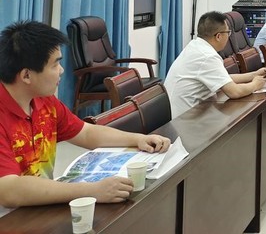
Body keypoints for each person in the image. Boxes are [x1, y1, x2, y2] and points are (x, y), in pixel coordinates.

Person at [0, 21, 171, 214]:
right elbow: (8, 190)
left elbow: (86, 133)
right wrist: (91, 191)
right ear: (26, 76)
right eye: (55, 64)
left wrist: (138, 139)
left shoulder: (43, 101)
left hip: (40, 208)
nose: (61, 70)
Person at [164, 11, 266, 118]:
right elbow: (234, 92)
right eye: (228, 32)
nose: (229, 36)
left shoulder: (196, 46)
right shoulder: (207, 56)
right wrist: (255, 85)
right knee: (235, 117)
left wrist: (253, 75)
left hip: (185, 113)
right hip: (185, 119)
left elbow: (223, 78)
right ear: (218, 36)